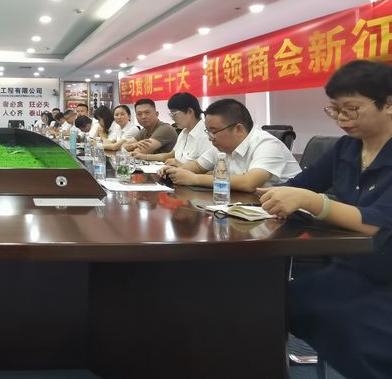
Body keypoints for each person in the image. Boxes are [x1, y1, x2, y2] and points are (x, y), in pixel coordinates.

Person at [258, 60, 392, 378]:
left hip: (385, 277)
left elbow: (378, 222)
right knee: (269, 303)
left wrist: (314, 202)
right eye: (335, 110)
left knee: (361, 336)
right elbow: (299, 185)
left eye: (351, 109)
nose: (342, 118)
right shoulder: (346, 148)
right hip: (352, 268)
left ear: (388, 104)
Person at [160, 98, 300, 192]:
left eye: (214, 131)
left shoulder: (267, 144)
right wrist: (175, 171)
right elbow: (197, 165)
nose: (210, 138)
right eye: (208, 131)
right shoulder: (222, 146)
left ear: (238, 129)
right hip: (247, 207)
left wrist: (195, 179)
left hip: (291, 216)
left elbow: (249, 183)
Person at [134, 93, 213, 165]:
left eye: (174, 114)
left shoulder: (206, 135)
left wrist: (181, 166)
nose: (173, 118)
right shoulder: (184, 132)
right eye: (171, 114)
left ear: (190, 112)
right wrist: (144, 156)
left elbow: (210, 170)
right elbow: (171, 155)